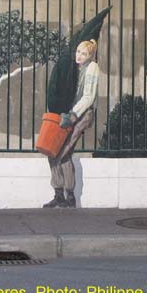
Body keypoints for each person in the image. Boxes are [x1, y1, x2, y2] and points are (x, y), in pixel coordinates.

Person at [43, 39, 100, 209]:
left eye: (83, 53)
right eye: (78, 52)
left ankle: (69, 196)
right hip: (69, 113)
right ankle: (60, 194)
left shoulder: (92, 68)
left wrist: (73, 115)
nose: (79, 56)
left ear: (90, 56)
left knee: (63, 152)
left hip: (82, 115)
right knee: (53, 151)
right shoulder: (75, 68)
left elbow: (89, 97)